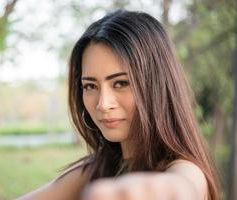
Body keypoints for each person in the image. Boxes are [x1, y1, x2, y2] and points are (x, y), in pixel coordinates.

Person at [17, 9, 220, 200]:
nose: (103, 104)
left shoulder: (186, 169)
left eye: (121, 83)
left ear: (156, 85)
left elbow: (183, 186)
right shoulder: (97, 168)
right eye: (90, 86)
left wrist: (161, 190)